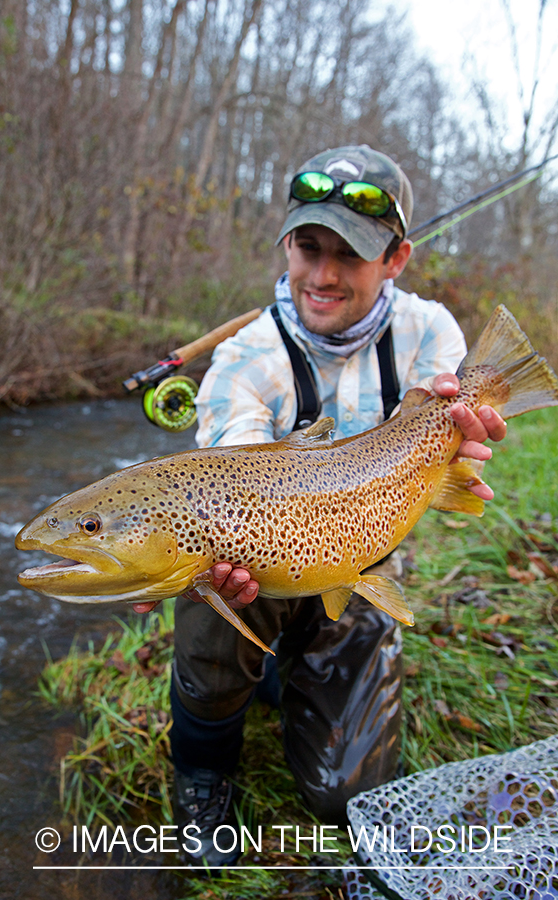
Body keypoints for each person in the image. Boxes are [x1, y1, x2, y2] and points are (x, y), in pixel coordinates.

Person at [133, 145, 506, 866]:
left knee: (343, 796)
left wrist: (467, 441)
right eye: (309, 247)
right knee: (209, 586)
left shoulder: (431, 336)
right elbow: (229, 487)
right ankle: (204, 767)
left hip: (363, 562)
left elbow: (460, 436)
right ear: (287, 245)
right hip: (264, 564)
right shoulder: (244, 360)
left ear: (395, 259)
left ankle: (284, 670)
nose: (324, 274)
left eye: (352, 254)